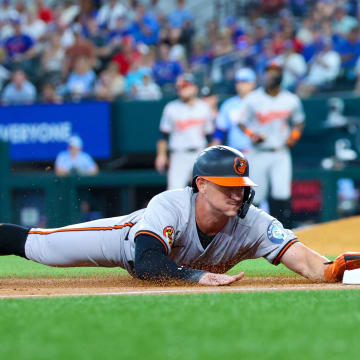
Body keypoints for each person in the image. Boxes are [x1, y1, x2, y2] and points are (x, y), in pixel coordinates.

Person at [0, 145, 359, 286]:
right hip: (123, 240)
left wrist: (338, 267)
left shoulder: (254, 224)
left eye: (241, 185)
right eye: (226, 185)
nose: (238, 193)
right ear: (202, 184)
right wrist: (194, 276)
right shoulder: (170, 204)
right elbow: (147, 264)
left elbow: (315, 266)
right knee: (39, 246)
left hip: (173, 260)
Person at [235, 61, 305, 228]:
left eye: (275, 72)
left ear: (281, 75)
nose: (271, 75)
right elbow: (241, 121)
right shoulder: (253, 98)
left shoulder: (291, 99)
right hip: (258, 151)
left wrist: (293, 137)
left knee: (282, 193)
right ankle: (250, 232)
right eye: (268, 72)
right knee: (256, 195)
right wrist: (252, 135)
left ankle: (282, 232)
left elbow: (299, 122)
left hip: (280, 151)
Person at [155, 73, 214, 190]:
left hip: (200, 154)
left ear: (194, 88)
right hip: (179, 155)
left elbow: (210, 136)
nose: (182, 90)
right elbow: (163, 135)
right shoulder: (171, 108)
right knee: (174, 192)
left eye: (185, 86)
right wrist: (161, 155)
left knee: (205, 192)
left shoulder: (204, 107)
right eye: (180, 87)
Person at [211, 68, 256, 153]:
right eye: (238, 82)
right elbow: (220, 130)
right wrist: (213, 151)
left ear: (253, 83)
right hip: (235, 153)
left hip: (257, 151)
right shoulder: (229, 104)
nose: (240, 85)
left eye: (244, 81)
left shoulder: (260, 102)